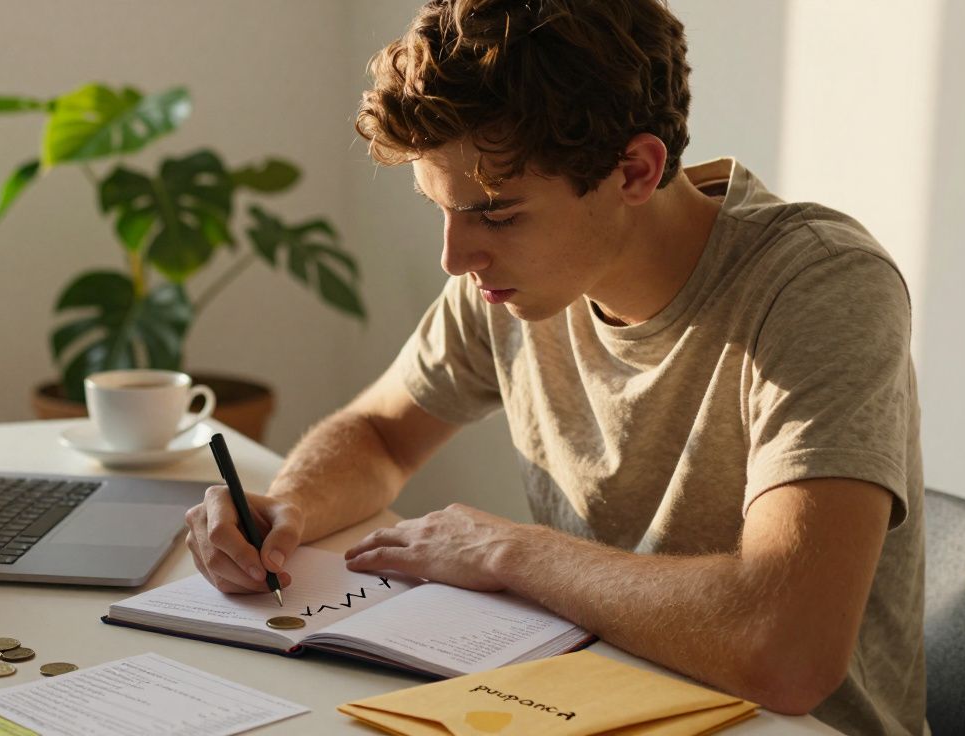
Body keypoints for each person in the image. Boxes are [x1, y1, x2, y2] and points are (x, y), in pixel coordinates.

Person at [184, 1, 925, 733]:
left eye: (497, 216)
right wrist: (289, 508)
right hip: (591, 702)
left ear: (635, 170)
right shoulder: (510, 280)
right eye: (442, 210)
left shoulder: (820, 286)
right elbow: (381, 433)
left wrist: (512, 551)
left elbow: (785, 650)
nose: (456, 257)